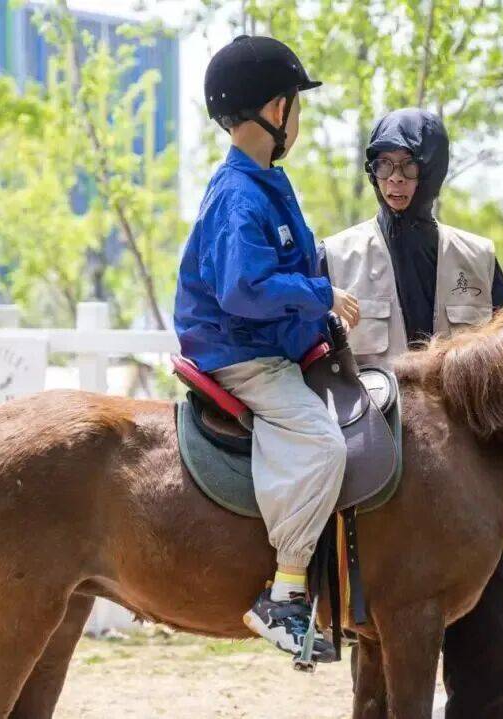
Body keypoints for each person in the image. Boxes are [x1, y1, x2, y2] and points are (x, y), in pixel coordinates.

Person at [320, 108, 503, 718]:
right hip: (380, 492)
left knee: (491, 667)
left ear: (432, 172)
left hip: (466, 490)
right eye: (383, 166)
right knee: (383, 668)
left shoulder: (478, 257)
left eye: (408, 167)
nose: (395, 179)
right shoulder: (335, 256)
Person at [173, 36, 361, 661]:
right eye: (296, 107)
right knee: (322, 443)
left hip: (268, 343)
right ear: (277, 110)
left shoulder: (264, 183)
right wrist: (322, 295)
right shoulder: (239, 195)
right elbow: (244, 289)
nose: (298, 119)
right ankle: (284, 593)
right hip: (243, 354)